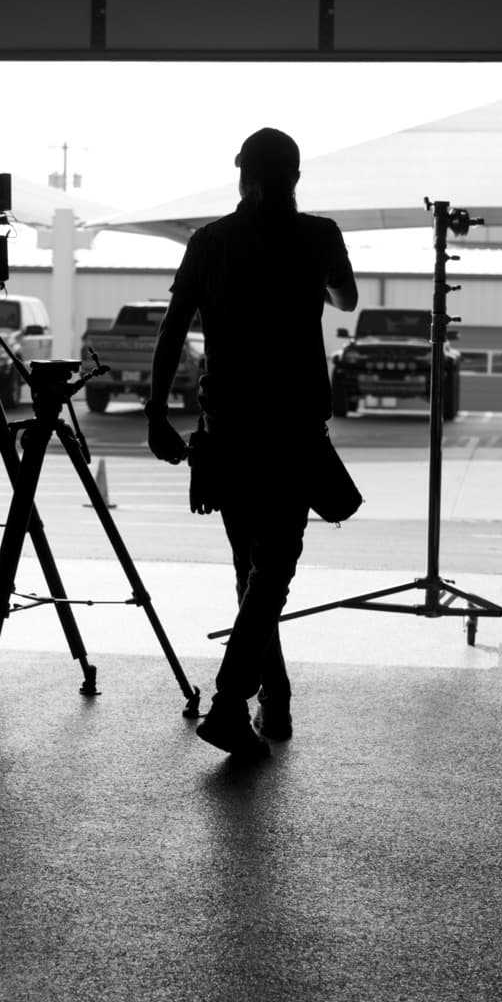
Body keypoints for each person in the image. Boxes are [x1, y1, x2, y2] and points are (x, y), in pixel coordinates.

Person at [146, 127, 359, 762]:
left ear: (245, 177)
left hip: (228, 430)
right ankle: (231, 701)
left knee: (252, 569)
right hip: (293, 431)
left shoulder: (210, 242)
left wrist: (157, 411)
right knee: (273, 572)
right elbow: (345, 300)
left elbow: (172, 326)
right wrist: (311, 279)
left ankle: (277, 697)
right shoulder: (319, 237)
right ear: (295, 177)